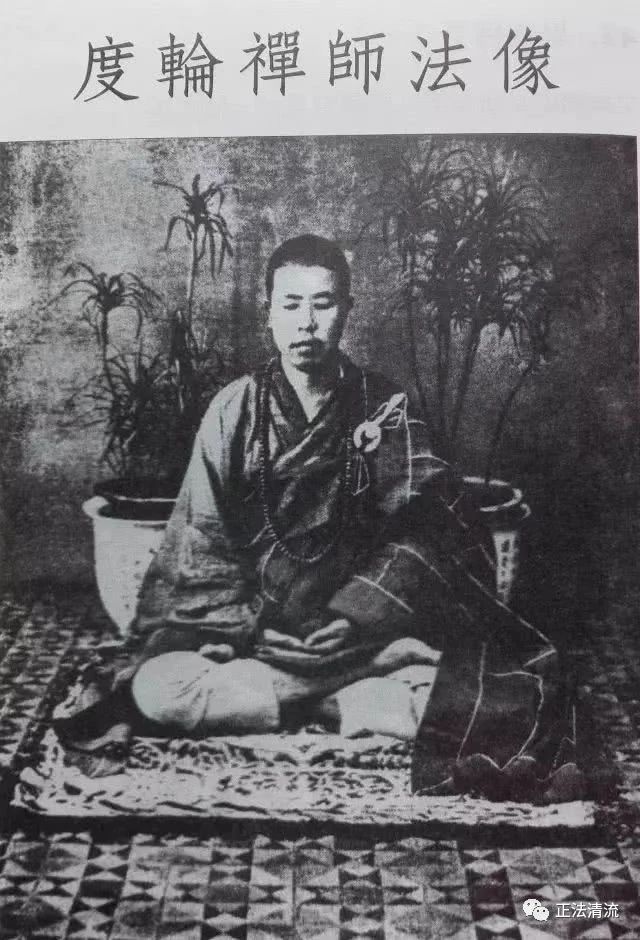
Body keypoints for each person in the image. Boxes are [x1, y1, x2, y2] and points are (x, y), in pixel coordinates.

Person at [54, 234, 595, 802]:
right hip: (260, 634)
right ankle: (336, 697)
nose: (306, 323)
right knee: (158, 687)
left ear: (347, 310)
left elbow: (431, 532)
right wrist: (245, 630)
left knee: (487, 695)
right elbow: (204, 542)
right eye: (291, 304)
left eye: (323, 303)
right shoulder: (234, 410)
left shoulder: (384, 407)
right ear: (268, 312)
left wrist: (357, 617)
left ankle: (304, 696)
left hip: (363, 631)